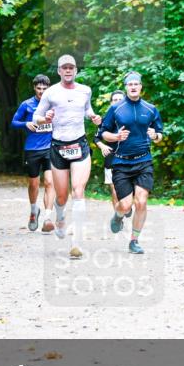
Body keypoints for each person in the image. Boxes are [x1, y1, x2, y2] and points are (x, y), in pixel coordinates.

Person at [34, 54, 103, 259]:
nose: (68, 70)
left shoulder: (85, 90)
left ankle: (77, 242)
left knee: (78, 190)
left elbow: (87, 109)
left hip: (79, 144)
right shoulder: (51, 93)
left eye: (71, 67)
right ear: (58, 71)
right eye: (64, 67)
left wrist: (93, 116)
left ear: (76, 70)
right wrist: (44, 118)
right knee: (62, 196)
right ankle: (60, 216)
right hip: (58, 147)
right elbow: (36, 117)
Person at [100, 71, 164, 254]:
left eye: (136, 84)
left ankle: (134, 241)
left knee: (141, 202)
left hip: (144, 161)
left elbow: (160, 134)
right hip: (121, 163)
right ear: (126, 87)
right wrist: (116, 137)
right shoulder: (116, 108)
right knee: (126, 205)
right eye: (130, 84)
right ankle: (118, 215)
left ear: (141, 86)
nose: (133, 87)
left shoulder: (150, 109)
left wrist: (155, 136)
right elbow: (103, 133)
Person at [11, 74, 56, 232]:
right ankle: (33, 210)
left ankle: (48, 218)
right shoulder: (27, 104)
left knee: (50, 182)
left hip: (50, 148)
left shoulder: (54, 104)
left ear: (49, 88)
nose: (41, 91)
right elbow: (14, 122)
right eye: (39, 88)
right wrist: (26, 124)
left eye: (44, 88)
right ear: (34, 88)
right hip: (32, 149)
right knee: (33, 183)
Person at [94, 90, 131, 217]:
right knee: (115, 190)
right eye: (115, 100)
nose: (117, 102)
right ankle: (118, 217)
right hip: (112, 158)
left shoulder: (132, 118)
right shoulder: (106, 120)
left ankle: (126, 205)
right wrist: (103, 146)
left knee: (130, 188)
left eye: (120, 100)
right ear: (111, 103)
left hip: (130, 159)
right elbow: (96, 138)